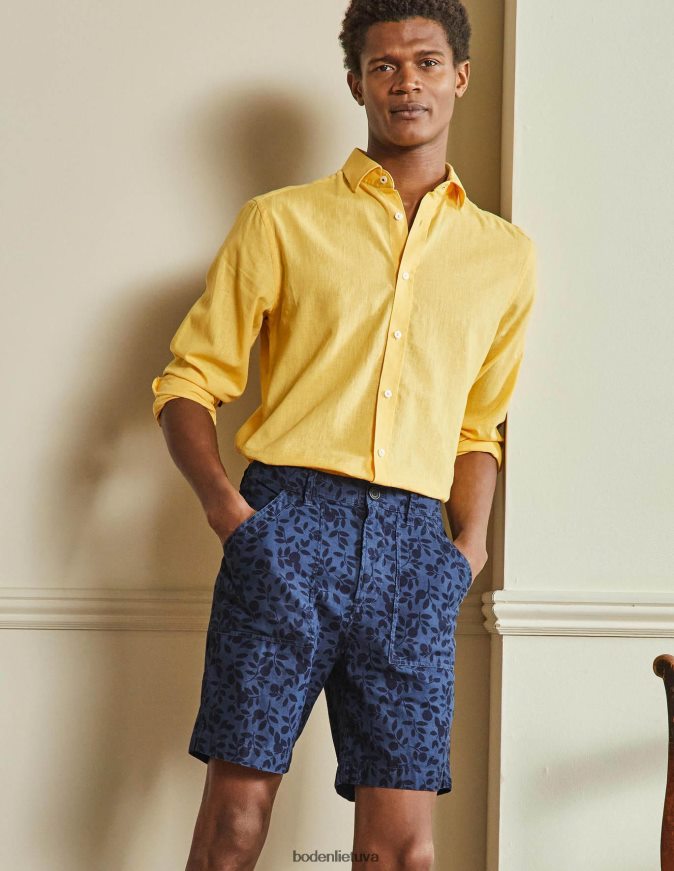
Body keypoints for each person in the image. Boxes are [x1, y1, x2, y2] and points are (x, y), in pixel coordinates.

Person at [151, 1, 537, 868]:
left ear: (460, 77)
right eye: (384, 65)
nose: (407, 82)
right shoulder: (279, 221)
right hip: (286, 528)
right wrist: (232, 517)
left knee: (402, 849)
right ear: (357, 83)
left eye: (426, 62)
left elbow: (479, 424)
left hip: (416, 548)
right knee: (234, 826)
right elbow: (187, 383)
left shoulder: (504, 256)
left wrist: (467, 547)